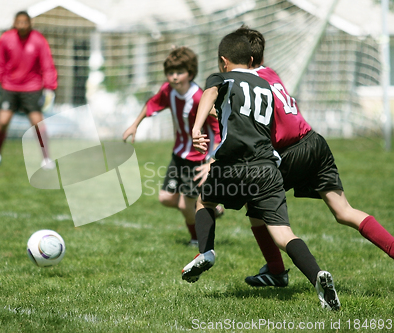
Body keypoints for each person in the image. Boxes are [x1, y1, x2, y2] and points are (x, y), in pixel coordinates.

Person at [181, 31, 340, 310]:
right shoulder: (265, 85)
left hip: (232, 166)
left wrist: (197, 127)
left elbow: (210, 94)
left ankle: (205, 252)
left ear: (223, 61)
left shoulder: (222, 78)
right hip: (266, 167)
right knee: (282, 233)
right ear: (253, 59)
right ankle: (317, 276)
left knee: (204, 200)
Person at [234, 26, 394, 288]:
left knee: (255, 204)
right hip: (315, 141)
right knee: (344, 211)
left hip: (291, 152)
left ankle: (275, 269)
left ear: (246, 60)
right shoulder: (270, 71)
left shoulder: (247, 87)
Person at [122, 46, 222, 247]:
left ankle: (196, 240)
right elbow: (152, 104)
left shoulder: (199, 98)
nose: (174, 77)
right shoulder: (168, 91)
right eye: (170, 73)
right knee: (166, 198)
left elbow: (216, 127)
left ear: (190, 73)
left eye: (179, 72)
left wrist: (213, 156)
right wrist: (134, 125)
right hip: (178, 155)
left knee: (186, 204)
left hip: (197, 158)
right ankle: (207, 210)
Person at [0, 11, 57, 169]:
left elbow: (47, 65)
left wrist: (49, 88)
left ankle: (46, 159)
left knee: (38, 123)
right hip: (9, 87)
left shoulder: (39, 40)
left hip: (31, 88)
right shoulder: (6, 38)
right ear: (15, 23)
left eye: (25, 22)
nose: (22, 25)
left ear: (30, 23)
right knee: (3, 121)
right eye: (19, 22)